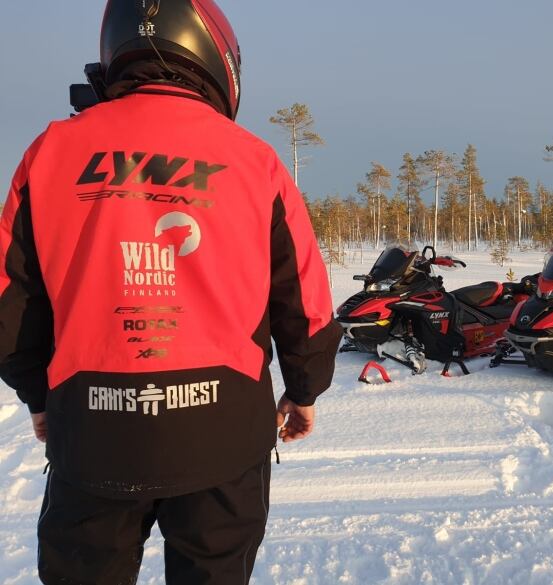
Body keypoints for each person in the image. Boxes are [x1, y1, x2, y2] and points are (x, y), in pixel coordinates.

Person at [0, 1, 342, 583]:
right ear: (217, 55)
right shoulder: (253, 161)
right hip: (223, 433)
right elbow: (304, 298)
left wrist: (38, 394)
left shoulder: (52, 150)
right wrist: (304, 388)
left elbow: (11, 295)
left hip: (92, 427)